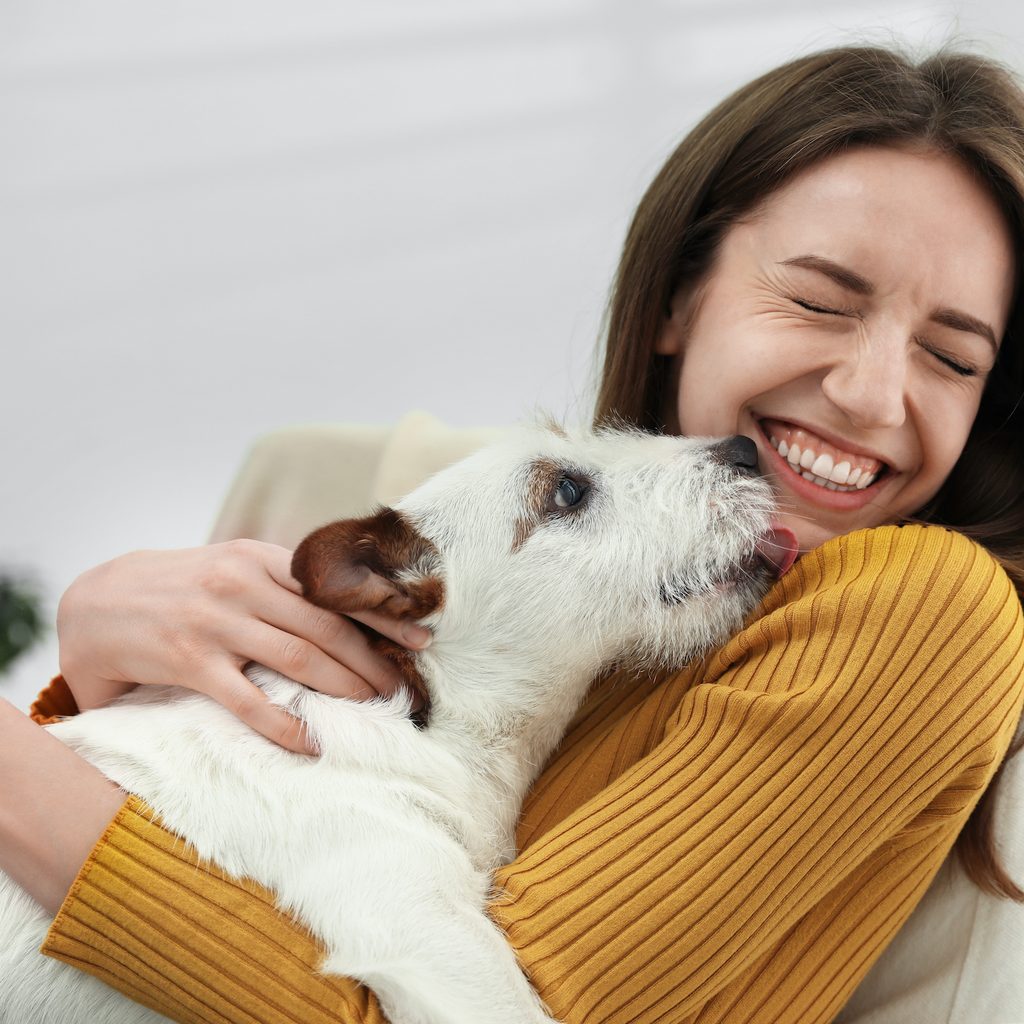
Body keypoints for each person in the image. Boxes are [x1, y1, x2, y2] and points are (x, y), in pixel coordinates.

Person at [2, 42, 1024, 1024]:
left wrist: (22, 780)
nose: (870, 394)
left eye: (952, 355)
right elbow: (237, 832)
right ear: (679, 293)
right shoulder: (565, 601)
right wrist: (93, 672)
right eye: (815, 298)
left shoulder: (917, 609)